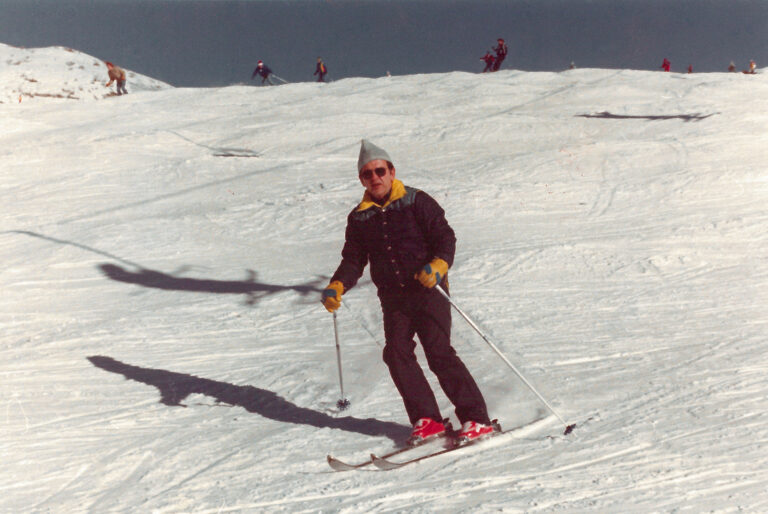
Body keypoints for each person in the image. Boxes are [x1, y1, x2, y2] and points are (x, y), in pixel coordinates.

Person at [321, 139, 495, 446]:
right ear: (361, 179)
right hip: (394, 298)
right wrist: (338, 284)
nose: (374, 178)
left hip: (428, 290)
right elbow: (353, 258)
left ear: (391, 171)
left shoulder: (417, 201)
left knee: (438, 353)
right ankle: (427, 420)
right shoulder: (360, 217)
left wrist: (439, 265)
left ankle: (477, 419)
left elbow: (445, 236)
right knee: (396, 354)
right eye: (367, 174)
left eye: (379, 170)